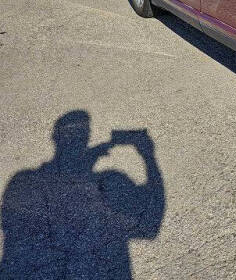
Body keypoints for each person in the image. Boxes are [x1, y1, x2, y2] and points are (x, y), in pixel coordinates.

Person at [0, 111, 164, 279]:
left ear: (55, 139)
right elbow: (150, 227)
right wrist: (148, 156)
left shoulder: (22, 181)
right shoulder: (110, 181)